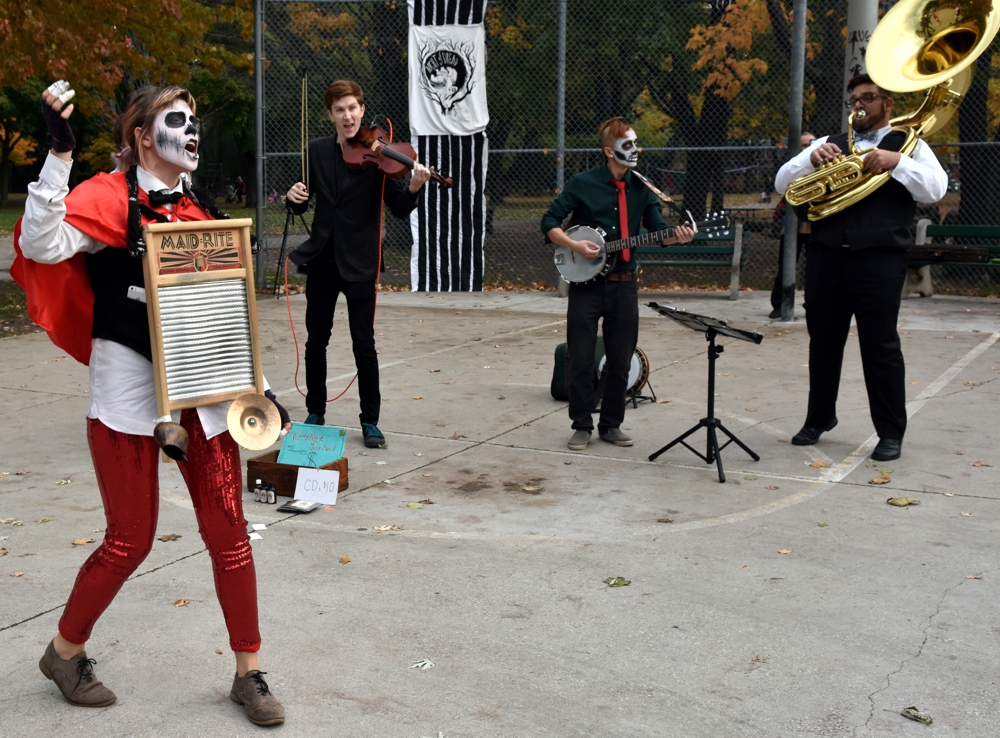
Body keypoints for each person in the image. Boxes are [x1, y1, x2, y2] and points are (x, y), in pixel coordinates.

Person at [12, 81, 288, 726]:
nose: (191, 132)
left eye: (194, 122)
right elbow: (39, 246)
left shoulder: (200, 208)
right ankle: (64, 652)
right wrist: (57, 154)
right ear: (142, 136)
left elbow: (225, 310)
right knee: (129, 539)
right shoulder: (104, 197)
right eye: (176, 121)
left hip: (203, 391)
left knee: (229, 533)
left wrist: (260, 381)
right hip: (129, 392)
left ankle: (249, 674)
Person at [774, 74, 947, 461]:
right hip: (827, 256)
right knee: (823, 343)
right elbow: (783, 183)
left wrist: (897, 162)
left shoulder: (909, 144)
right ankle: (819, 418)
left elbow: (935, 189)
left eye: (868, 98)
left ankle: (889, 433)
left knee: (881, 346)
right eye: (854, 99)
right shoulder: (827, 142)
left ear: (888, 103)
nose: (859, 105)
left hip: (879, 259)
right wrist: (808, 160)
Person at [285, 79, 431, 448]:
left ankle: (370, 421)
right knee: (316, 340)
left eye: (352, 108)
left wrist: (414, 186)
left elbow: (398, 208)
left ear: (362, 110)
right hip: (322, 258)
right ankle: (315, 411)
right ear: (330, 114)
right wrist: (294, 197)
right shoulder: (315, 150)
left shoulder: (379, 154)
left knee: (363, 344)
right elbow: (302, 202)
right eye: (339, 110)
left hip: (361, 260)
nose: (347, 115)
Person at [541, 117, 694, 451]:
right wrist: (575, 246)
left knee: (621, 360)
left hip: (624, 284)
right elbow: (549, 222)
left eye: (636, 143)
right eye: (628, 145)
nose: (635, 150)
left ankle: (611, 425)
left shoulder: (643, 187)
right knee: (580, 359)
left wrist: (678, 236)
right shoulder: (583, 183)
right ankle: (581, 425)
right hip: (586, 287)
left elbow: (658, 232)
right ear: (610, 151)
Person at [769, 132, 816, 319]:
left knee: (815, 268)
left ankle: (813, 304)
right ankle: (780, 304)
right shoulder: (795, 165)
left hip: (815, 223)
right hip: (792, 223)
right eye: (802, 145)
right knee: (785, 264)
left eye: (809, 144)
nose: (806, 148)